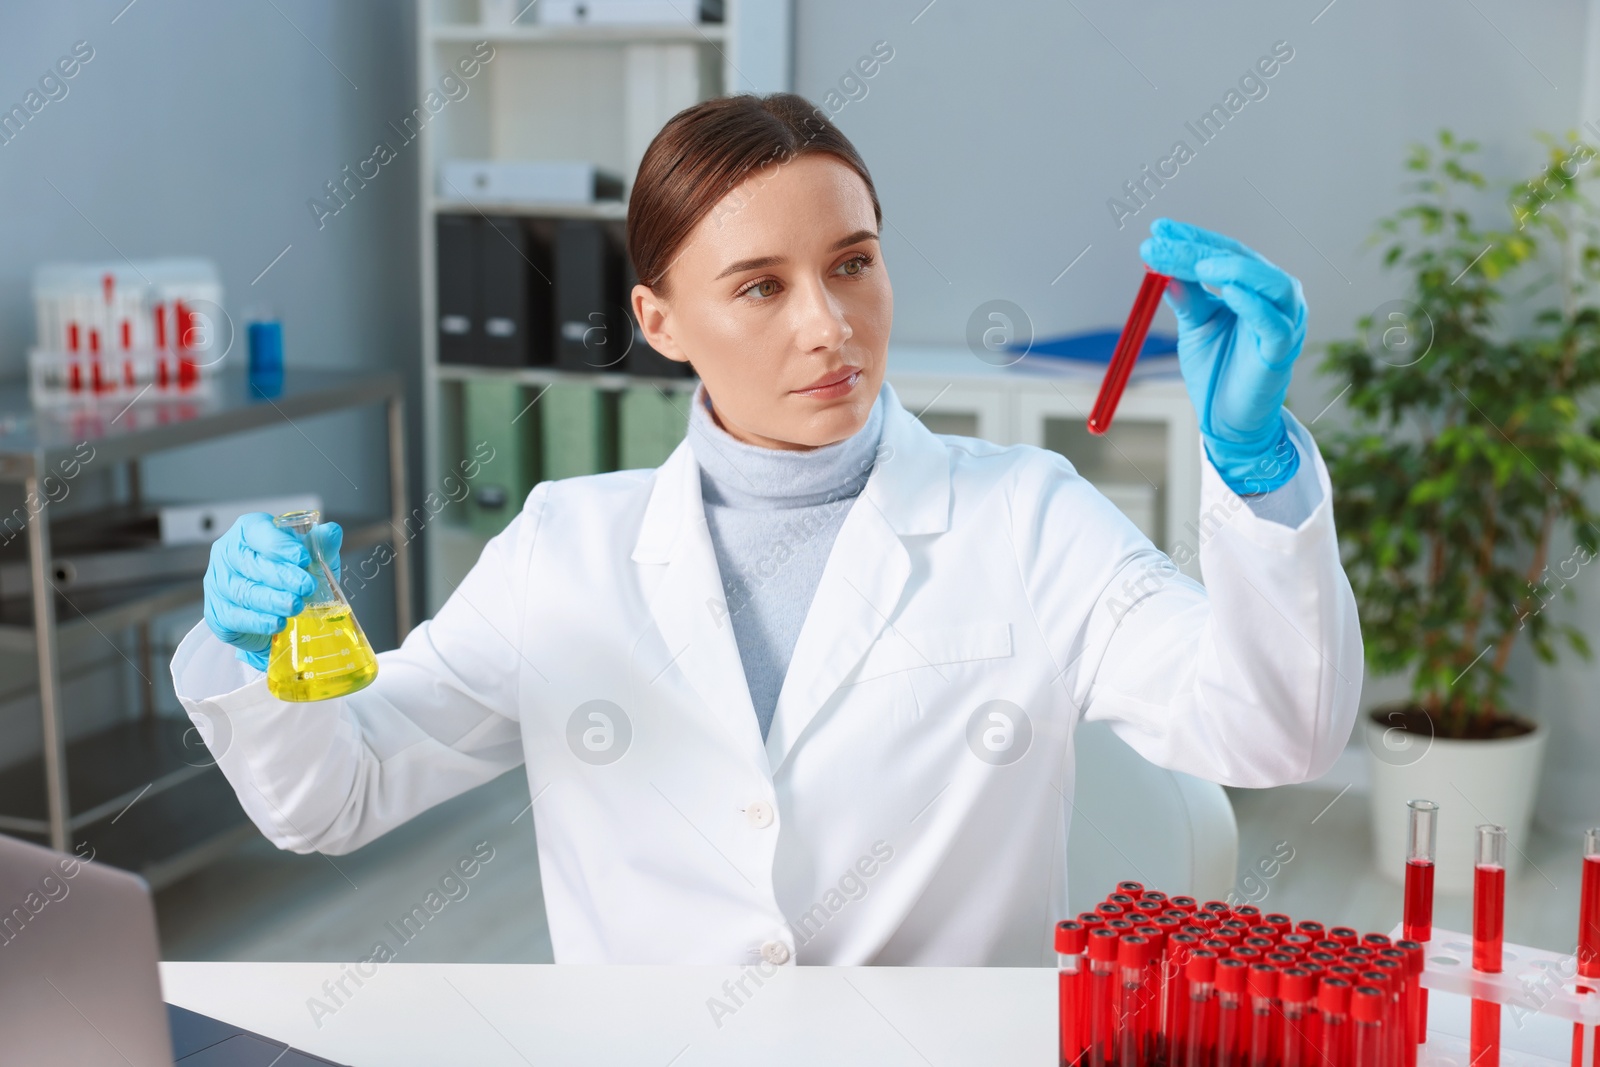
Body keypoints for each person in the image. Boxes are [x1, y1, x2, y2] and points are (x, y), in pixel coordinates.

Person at [175, 92, 1362, 967]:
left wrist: (1255, 475)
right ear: (659, 317)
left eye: (852, 264)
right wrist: (248, 649)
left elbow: (1276, 731)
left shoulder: (1027, 515)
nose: (827, 325)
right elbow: (334, 796)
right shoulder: (564, 547)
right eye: (759, 285)